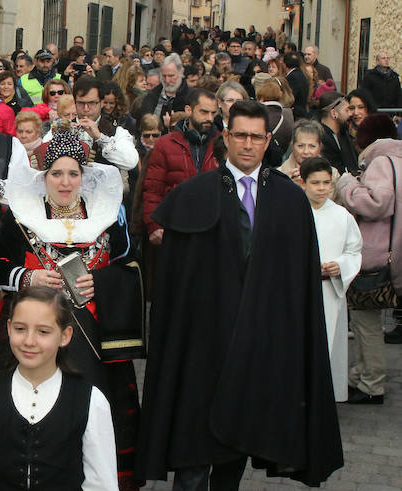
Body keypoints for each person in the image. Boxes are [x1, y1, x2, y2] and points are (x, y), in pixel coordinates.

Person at [137, 100, 344, 488]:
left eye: (256, 137)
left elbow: (298, 286)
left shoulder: (290, 200)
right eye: (240, 135)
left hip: (257, 347)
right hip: (202, 349)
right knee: (194, 453)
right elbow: (172, 291)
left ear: (268, 141)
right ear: (226, 137)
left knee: (235, 450)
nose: (247, 144)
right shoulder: (192, 196)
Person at [0, 126, 143, 490]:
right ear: (44, 176)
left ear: (83, 177)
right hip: (31, 331)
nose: (65, 182)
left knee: (90, 415)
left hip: (91, 336)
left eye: (73, 173)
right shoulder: (21, 215)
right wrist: (27, 277)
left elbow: (130, 264)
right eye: (57, 173)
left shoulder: (104, 215)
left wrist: (100, 282)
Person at [0, 287, 119, 490]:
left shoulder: (92, 401)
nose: (29, 341)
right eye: (20, 329)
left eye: (43, 331)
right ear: (8, 328)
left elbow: (102, 484)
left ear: (65, 335)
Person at [335, 135, 402, 405]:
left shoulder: (380, 162)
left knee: (366, 323)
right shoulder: (397, 160)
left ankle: (371, 383)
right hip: (391, 254)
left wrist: (347, 183)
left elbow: (377, 203)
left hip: (374, 256)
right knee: (366, 321)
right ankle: (360, 375)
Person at [300, 157, 362, 403]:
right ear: (303, 183)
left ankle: (323, 397)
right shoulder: (294, 212)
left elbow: (354, 250)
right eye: (315, 183)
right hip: (300, 289)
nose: (322, 188)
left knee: (328, 344)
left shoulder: (342, 216)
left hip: (330, 289)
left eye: (327, 183)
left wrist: (342, 266)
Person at [142, 88, 221, 249]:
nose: (210, 118)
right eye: (204, 112)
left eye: (213, 113)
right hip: (175, 229)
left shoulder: (222, 144)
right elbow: (152, 189)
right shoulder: (166, 144)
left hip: (213, 230)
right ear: (188, 110)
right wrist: (153, 226)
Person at [279, 120, 339, 194]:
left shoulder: (333, 174)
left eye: (312, 146)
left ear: (320, 147)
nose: (306, 151)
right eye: (300, 146)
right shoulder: (280, 175)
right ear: (292, 145)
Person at [317, 92, 358, 174]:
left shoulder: (343, 135)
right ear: (334, 113)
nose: (351, 114)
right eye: (347, 110)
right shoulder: (322, 139)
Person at [285, 51, 309, 119]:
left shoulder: (292, 77)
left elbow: (290, 97)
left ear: (285, 64)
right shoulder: (301, 74)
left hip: (296, 114)